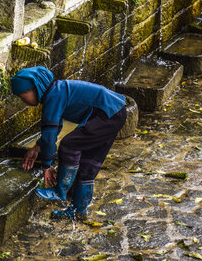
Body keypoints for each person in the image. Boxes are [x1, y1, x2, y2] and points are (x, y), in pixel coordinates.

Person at [10, 66, 127, 219]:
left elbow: (50, 135)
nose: (22, 100)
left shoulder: (53, 96)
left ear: (35, 88)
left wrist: (47, 164)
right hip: (115, 112)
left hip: (106, 114)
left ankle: (60, 191)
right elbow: (55, 126)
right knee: (88, 163)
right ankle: (78, 211)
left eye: (22, 94)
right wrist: (38, 148)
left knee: (68, 145)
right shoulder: (56, 91)